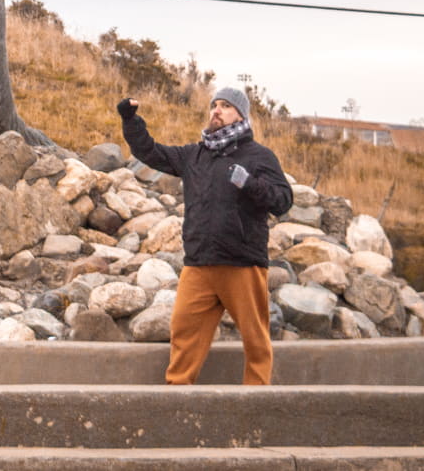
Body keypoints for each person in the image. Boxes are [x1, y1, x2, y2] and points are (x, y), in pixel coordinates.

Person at [117, 86, 293, 385]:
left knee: (256, 340)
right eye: (214, 105)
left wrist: (249, 183)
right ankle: (177, 395)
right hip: (198, 264)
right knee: (183, 333)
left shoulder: (259, 156)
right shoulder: (194, 155)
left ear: (240, 114)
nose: (216, 110)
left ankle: (257, 398)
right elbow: (151, 152)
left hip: (242, 264)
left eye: (225, 106)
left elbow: (283, 200)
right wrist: (130, 120)